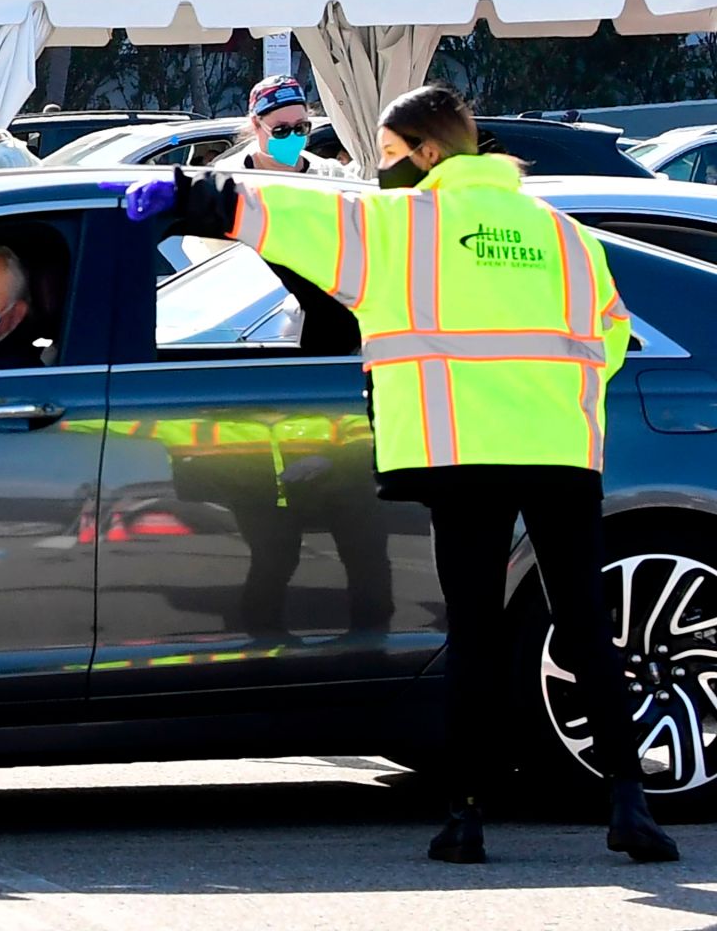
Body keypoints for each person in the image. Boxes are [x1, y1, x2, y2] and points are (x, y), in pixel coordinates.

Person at [125, 84, 677, 865]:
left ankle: (467, 815)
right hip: (559, 450)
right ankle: (631, 804)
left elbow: (284, 212)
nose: (379, 170)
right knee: (586, 626)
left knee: (477, 634)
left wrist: (183, 195)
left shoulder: (399, 224)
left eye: (387, 155)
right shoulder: (560, 233)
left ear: (425, 152)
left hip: (458, 451)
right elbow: (613, 333)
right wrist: (546, 394)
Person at [227, 75, 344, 176]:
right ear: (256, 124)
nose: (293, 137)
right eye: (281, 130)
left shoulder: (330, 175)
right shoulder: (228, 179)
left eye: (300, 127)